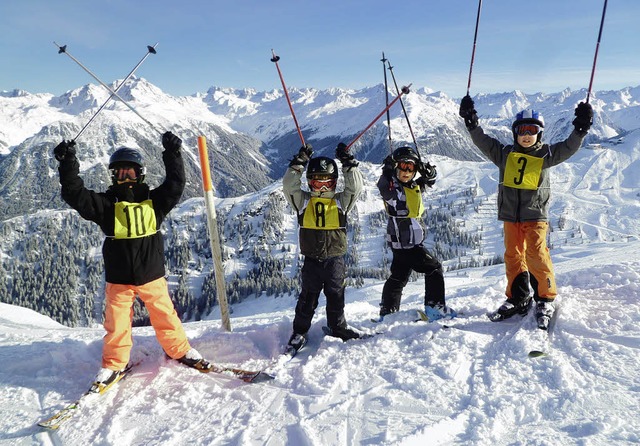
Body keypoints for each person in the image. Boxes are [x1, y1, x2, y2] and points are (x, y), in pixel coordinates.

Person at [53, 131, 213, 389]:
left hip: (152, 275)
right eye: (120, 173)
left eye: (131, 172)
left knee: (165, 317)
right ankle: (113, 364)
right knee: (116, 324)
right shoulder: (105, 204)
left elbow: (176, 184)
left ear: (140, 174)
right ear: (113, 176)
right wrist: (67, 162)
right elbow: (75, 193)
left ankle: (180, 350)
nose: (125, 177)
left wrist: (172, 154)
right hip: (119, 278)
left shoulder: (154, 201)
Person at [458, 95, 594, 328]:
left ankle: (545, 297)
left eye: (532, 130)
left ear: (539, 134)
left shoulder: (546, 155)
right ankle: (519, 297)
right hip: (511, 216)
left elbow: (568, 148)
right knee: (513, 255)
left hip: (535, 215)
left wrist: (580, 130)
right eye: (522, 130)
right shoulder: (504, 154)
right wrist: (472, 123)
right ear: (515, 133)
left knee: (536, 253)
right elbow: (484, 142)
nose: (527, 135)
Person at [282, 142, 364, 352]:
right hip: (312, 260)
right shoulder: (303, 202)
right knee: (308, 298)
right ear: (309, 182)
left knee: (336, 296)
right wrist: (298, 164)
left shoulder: (340, 203)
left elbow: (355, 187)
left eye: (327, 182)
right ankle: (299, 331)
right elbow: (290, 187)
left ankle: (338, 327)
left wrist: (349, 165)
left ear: (335, 182)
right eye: (317, 183)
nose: (323, 187)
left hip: (335, 259)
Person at [377, 147, 457, 322]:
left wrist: (429, 172)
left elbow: (428, 181)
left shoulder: (413, 186)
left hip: (402, 243)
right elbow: (383, 187)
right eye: (402, 166)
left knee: (398, 277)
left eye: (410, 168)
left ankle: (388, 312)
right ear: (396, 167)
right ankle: (435, 308)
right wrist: (387, 171)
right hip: (408, 244)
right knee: (434, 268)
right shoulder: (394, 190)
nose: (406, 171)